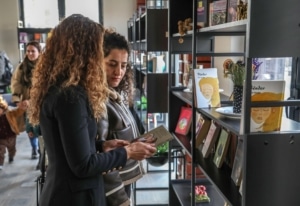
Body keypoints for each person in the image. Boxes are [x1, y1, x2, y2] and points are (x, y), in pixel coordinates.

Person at [27, 14, 157, 206]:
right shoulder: (71, 97)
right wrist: (128, 152)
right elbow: (83, 166)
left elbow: (70, 149)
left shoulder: (61, 88)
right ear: (85, 51)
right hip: (74, 197)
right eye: (97, 48)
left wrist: (101, 147)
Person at [96, 29, 149, 206]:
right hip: (114, 190)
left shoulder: (114, 94)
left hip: (124, 181)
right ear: (97, 62)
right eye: (112, 64)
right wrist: (121, 200)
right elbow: (101, 157)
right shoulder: (99, 101)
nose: (119, 71)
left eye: (124, 65)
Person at [10, 40, 42, 160]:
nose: (30, 53)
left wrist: (34, 100)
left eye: (33, 51)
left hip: (40, 103)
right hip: (26, 104)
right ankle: (34, 148)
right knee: (30, 128)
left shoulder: (44, 66)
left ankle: (41, 150)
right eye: (28, 51)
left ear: (39, 52)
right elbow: (16, 83)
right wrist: (17, 100)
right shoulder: (21, 67)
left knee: (41, 128)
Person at [0, 95, 28, 170]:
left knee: (11, 148)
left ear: (2, 108)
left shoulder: (9, 113)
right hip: (1, 138)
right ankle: (0, 164)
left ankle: (11, 155)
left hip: (11, 135)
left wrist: (22, 109)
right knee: (0, 151)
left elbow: (17, 112)